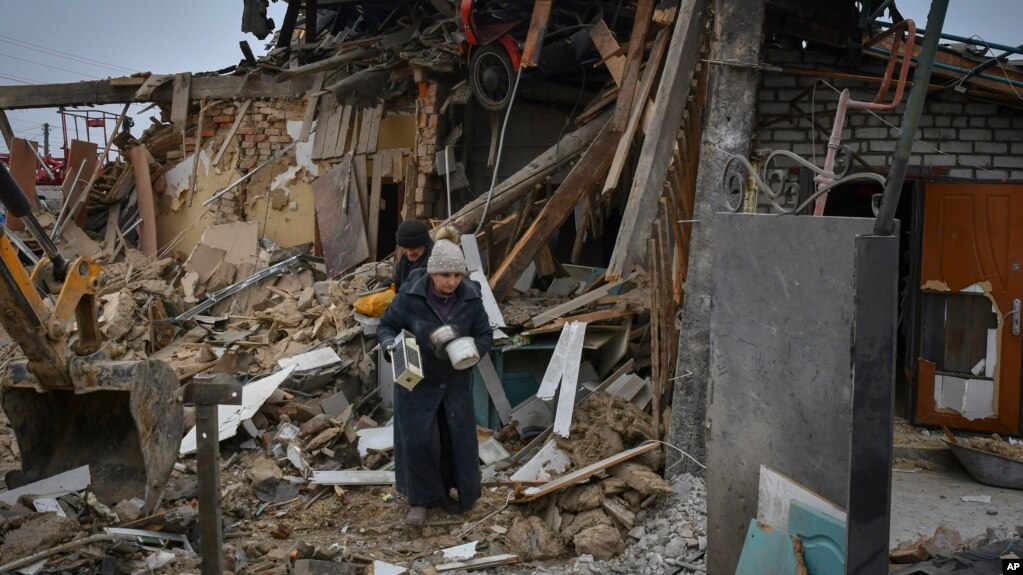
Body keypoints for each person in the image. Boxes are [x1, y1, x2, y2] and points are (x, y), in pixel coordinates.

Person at [377, 227, 493, 527]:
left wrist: (474, 350)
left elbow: (484, 333)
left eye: (457, 276)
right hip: (418, 381)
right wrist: (391, 345)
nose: (452, 282)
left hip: (454, 382)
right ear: (432, 274)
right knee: (419, 442)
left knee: (455, 440)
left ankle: (455, 493)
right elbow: (386, 326)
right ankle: (420, 502)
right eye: (446, 276)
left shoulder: (470, 299)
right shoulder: (410, 296)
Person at [382, 219, 433, 291]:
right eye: (405, 247)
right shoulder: (404, 260)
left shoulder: (432, 265)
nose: (409, 253)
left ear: (424, 243)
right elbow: (396, 279)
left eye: (414, 247)